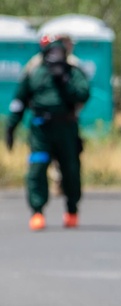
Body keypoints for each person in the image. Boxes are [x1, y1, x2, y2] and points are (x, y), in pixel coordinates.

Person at [5, 35, 90, 232]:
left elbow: (84, 94)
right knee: (37, 168)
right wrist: (11, 126)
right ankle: (37, 212)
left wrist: (65, 80)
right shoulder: (34, 72)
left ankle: (71, 210)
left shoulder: (72, 71)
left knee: (70, 169)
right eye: (52, 51)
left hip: (66, 129)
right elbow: (19, 100)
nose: (55, 55)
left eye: (59, 51)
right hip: (41, 130)